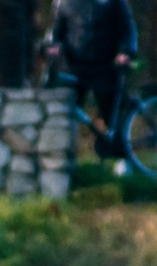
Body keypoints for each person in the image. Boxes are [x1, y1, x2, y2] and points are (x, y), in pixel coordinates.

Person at [44, 0, 137, 152]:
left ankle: (120, 152)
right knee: (65, 112)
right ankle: (61, 152)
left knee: (112, 110)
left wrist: (126, 52)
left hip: (106, 66)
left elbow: (127, 30)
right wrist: (53, 46)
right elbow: (56, 30)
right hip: (73, 67)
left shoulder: (114, 3)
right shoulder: (63, 3)